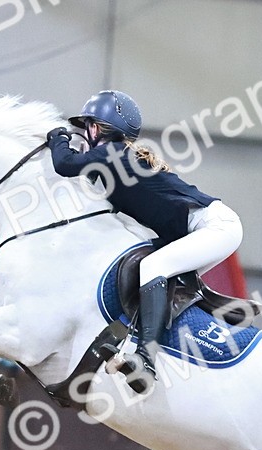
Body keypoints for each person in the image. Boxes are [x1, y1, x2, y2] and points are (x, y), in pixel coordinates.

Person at [46, 90, 243, 381]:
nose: (84, 134)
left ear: (96, 129)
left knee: (152, 267)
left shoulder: (113, 153)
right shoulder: (114, 161)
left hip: (215, 226)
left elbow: (64, 164)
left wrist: (57, 137)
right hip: (203, 229)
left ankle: (146, 360)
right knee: (142, 273)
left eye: (86, 127)